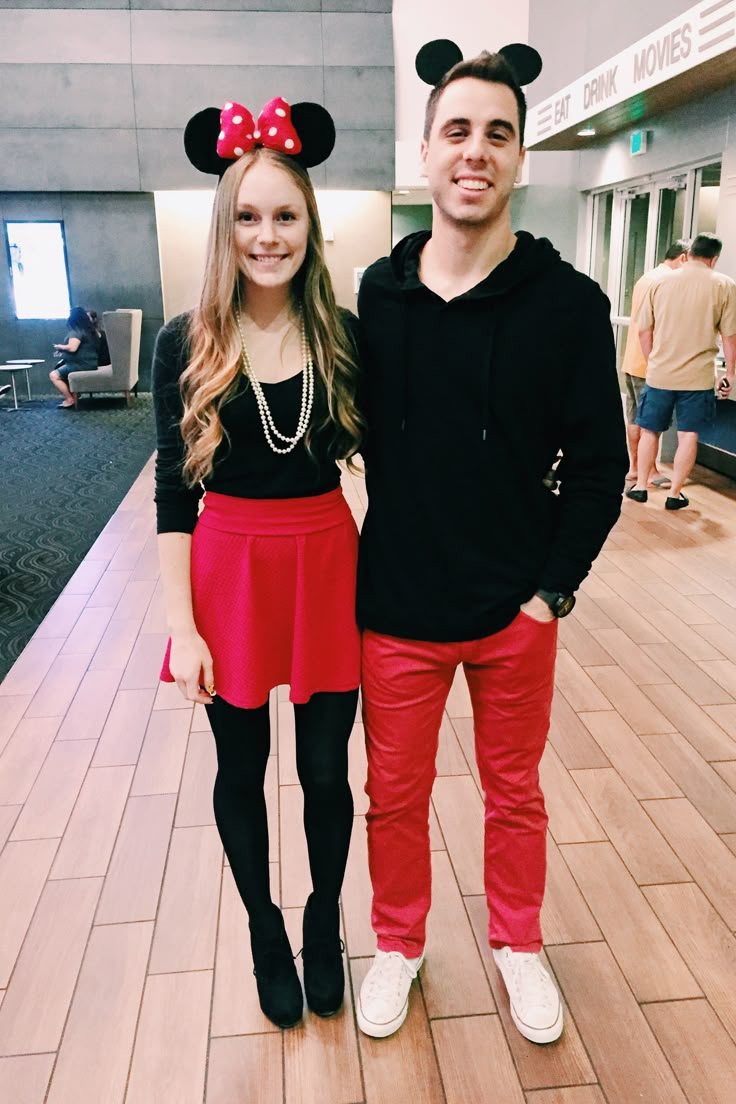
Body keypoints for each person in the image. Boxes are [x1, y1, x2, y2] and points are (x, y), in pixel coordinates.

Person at [355, 45, 628, 1045]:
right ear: (425, 153)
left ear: (521, 158)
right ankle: (399, 941)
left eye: (498, 134)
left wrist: (551, 592)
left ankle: (518, 943)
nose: (476, 152)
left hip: (518, 610)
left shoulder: (568, 308)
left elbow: (601, 468)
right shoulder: (376, 302)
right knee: (394, 794)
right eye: (457, 131)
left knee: (515, 794)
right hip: (396, 606)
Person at [152, 95, 363, 1030]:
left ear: (309, 223)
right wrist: (181, 628)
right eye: (247, 216)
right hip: (226, 571)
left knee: (325, 772)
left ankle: (323, 917)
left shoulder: (345, 334)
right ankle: (263, 927)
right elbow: (171, 495)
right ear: (223, 224)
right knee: (242, 771)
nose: (266, 235)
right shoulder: (183, 341)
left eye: (285, 215)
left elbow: (394, 468)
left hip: (327, 562)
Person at [626, 233, 736, 510]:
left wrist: (653, 362)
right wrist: (730, 373)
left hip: (660, 374)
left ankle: (640, 487)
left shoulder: (659, 281)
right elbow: (730, 336)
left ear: (688, 255)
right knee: (689, 434)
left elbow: (643, 330)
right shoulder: (724, 285)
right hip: (697, 378)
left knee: (649, 429)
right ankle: (675, 493)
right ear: (714, 258)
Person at [621, 240, 688, 487]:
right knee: (651, 422)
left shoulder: (646, 278)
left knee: (634, 417)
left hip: (632, 359)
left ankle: (635, 468)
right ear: (683, 257)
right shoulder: (666, 281)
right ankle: (649, 471)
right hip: (649, 362)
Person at [49, 305, 100, 408]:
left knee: (54, 375)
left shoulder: (76, 331)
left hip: (80, 364)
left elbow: (73, 348)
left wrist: (60, 347)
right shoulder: (90, 330)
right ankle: (74, 395)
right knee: (62, 371)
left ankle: (69, 399)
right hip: (91, 362)